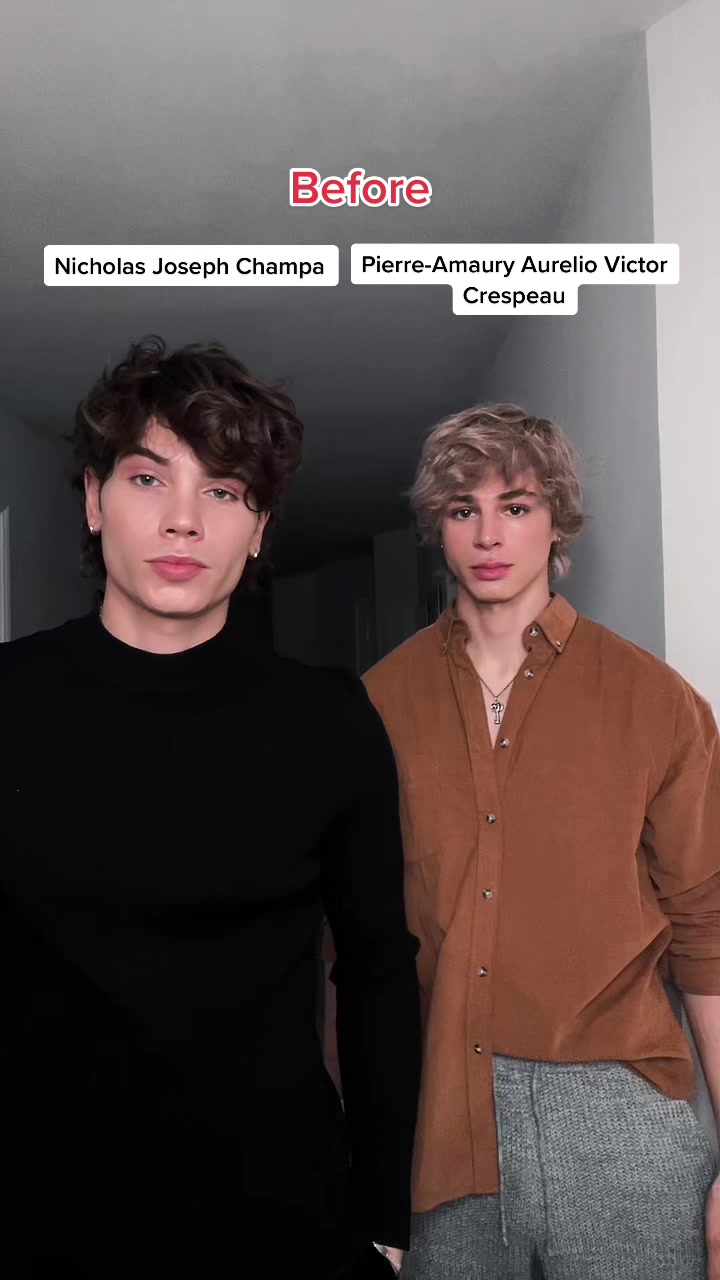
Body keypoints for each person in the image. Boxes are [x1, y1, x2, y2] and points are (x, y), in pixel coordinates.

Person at [0, 337, 421, 1279]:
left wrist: (382, 1215)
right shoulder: (10, 702)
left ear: (259, 527)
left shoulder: (330, 722)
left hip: (281, 1220)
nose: (183, 520)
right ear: (94, 499)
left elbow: (378, 972)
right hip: (37, 1216)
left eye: (224, 491)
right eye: (149, 479)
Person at [361, 404, 720, 1280]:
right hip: (441, 1120)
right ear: (437, 526)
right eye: (464, 509)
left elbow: (707, 933)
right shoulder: (377, 704)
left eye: (516, 506)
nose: (489, 535)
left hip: (623, 1117)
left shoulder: (656, 701)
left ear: (556, 519)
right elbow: (352, 946)